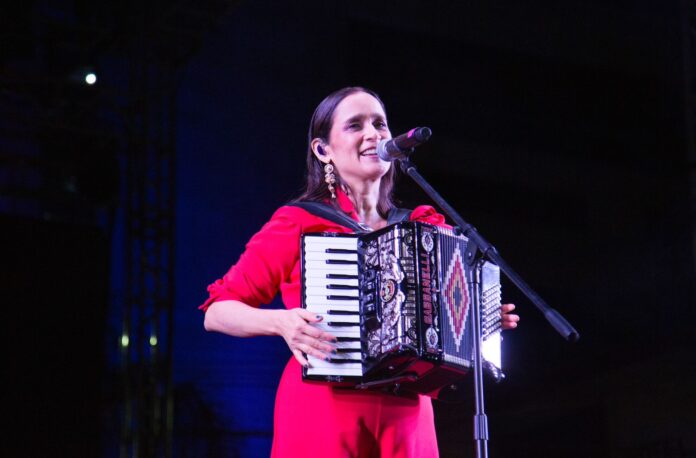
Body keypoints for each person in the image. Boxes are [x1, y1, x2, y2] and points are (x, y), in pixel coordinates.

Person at [200, 86, 520, 457]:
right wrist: (281, 323)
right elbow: (216, 312)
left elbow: (447, 315)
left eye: (380, 124)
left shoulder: (422, 227)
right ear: (323, 150)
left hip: (407, 409)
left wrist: (479, 319)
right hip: (323, 406)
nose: (373, 134)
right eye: (355, 125)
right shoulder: (299, 222)